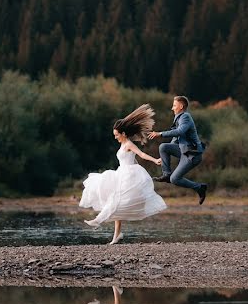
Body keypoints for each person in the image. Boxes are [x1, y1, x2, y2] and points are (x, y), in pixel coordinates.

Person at [79, 104, 167, 244]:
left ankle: (98, 221)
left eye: (117, 135)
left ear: (123, 134)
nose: (115, 138)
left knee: (115, 201)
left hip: (128, 175)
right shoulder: (122, 145)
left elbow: (141, 154)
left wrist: (155, 159)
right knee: (113, 199)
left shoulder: (129, 145)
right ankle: (116, 236)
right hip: (121, 174)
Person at [149, 95, 208, 205]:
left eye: (174, 105)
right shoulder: (179, 118)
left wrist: (160, 134)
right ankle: (166, 174)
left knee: (175, 179)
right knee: (163, 147)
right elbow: (175, 139)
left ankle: (200, 188)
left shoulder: (185, 117)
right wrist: (164, 156)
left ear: (181, 106)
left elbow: (179, 132)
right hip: (184, 151)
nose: (172, 108)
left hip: (192, 154)